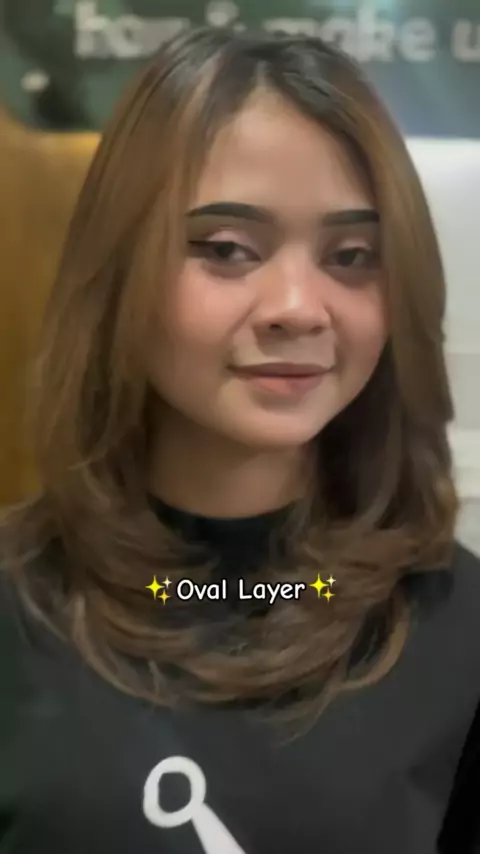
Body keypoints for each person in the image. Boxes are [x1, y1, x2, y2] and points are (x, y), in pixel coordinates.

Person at [1, 25, 479, 854]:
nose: (297, 306)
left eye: (352, 255)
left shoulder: (458, 627)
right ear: (120, 267)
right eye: (226, 249)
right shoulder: (17, 605)